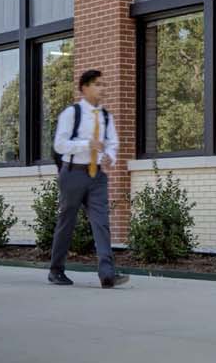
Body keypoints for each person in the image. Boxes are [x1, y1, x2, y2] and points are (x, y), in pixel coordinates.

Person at [47, 69, 128, 289]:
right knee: (67, 222)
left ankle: (107, 274)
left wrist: (110, 156)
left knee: (102, 223)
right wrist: (86, 144)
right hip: (73, 172)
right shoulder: (71, 113)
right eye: (98, 84)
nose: (102, 88)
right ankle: (56, 270)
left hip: (97, 176)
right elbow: (59, 145)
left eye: (103, 84)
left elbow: (112, 143)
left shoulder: (105, 116)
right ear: (85, 87)